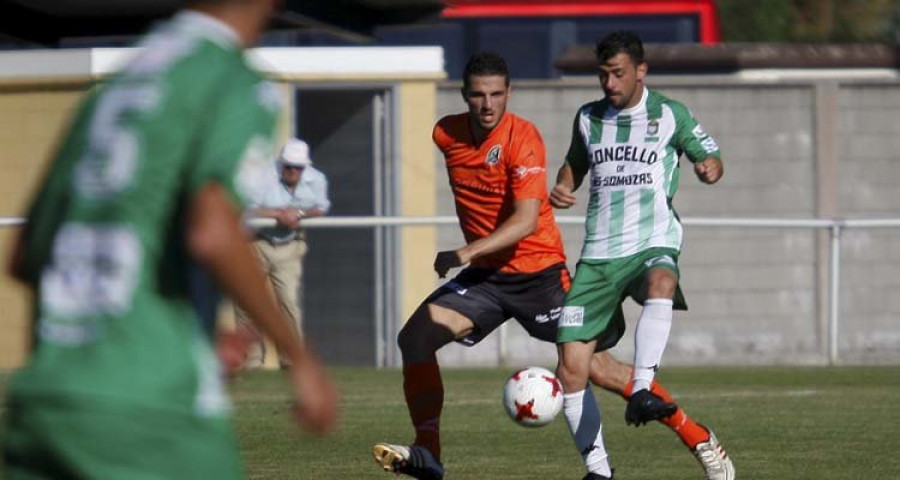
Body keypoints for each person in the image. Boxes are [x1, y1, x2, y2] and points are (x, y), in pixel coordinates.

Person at [1, 1, 339, 478]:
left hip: (47, 402)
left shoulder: (119, 84)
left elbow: (22, 255)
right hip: (154, 410)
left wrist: (180, 332)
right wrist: (301, 360)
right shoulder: (229, 78)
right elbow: (214, 230)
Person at [372, 51, 731, 480]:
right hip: (487, 279)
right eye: (478, 95)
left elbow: (525, 221)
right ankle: (428, 452)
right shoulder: (445, 133)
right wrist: (476, 259)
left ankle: (697, 437)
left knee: (597, 369)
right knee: (414, 340)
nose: (488, 105)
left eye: (497, 95)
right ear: (464, 96)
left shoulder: (523, 138)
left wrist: (464, 253)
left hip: (540, 274)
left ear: (509, 93)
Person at [553, 31, 732, 480]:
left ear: (640, 71)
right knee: (572, 368)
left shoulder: (669, 114)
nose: (609, 83)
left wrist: (710, 168)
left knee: (662, 283)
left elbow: (709, 154)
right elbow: (574, 163)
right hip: (598, 255)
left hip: (652, 241)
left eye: (617, 74)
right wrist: (562, 185)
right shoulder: (588, 118)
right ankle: (599, 471)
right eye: (603, 74)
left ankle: (642, 387)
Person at [235, 137, 331, 369]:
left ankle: (292, 360)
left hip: (290, 245)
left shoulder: (317, 180)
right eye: (288, 165)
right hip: (256, 242)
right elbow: (248, 208)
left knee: (288, 301)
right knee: (249, 300)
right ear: (281, 163)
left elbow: (321, 208)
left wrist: (298, 213)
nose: (292, 171)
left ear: (304, 167)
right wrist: (277, 214)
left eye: (297, 167)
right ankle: (252, 359)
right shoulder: (263, 176)